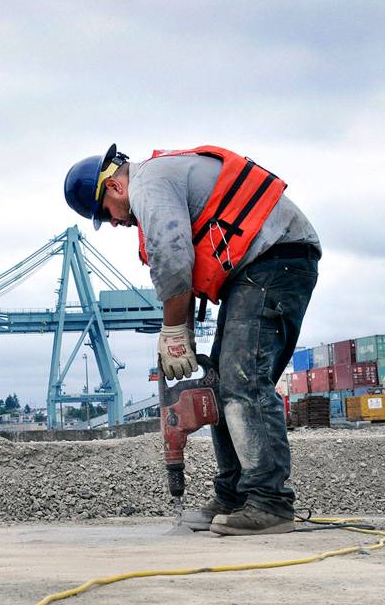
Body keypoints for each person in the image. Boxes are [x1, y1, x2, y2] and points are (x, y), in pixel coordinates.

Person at [63, 144, 319, 535]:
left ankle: (270, 501)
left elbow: (173, 256)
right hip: (260, 264)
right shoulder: (159, 179)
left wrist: (173, 331)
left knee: (243, 381)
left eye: (106, 214)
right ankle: (235, 494)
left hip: (277, 258)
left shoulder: (148, 186)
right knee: (222, 383)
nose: (115, 223)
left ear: (114, 187)